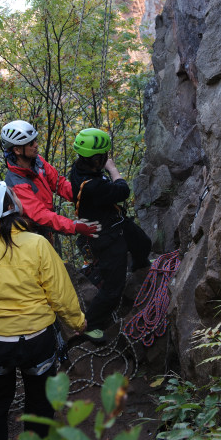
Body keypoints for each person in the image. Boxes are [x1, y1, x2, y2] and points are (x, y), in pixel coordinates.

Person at [0, 179, 87, 440]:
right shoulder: (37, 244)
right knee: (38, 398)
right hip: (36, 340)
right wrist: (77, 323)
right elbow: (59, 293)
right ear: (9, 206)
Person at [69, 128, 151, 344]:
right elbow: (122, 191)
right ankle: (91, 324)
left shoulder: (80, 170)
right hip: (105, 237)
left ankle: (139, 267)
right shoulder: (93, 185)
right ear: (97, 159)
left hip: (115, 224)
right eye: (104, 155)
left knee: (143, 243)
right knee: (113, 289)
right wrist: (113, 170)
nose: (107, 158)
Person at [1, 119, 100, 241]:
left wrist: (85, 194)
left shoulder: (37, 162)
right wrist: (74, 226)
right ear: (17, 150)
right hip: (32, 235)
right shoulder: (16, 183)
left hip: (47, 227)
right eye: (31, 143)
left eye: (35, 140)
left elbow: (60, 184)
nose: (36, 145)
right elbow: (39, 214)